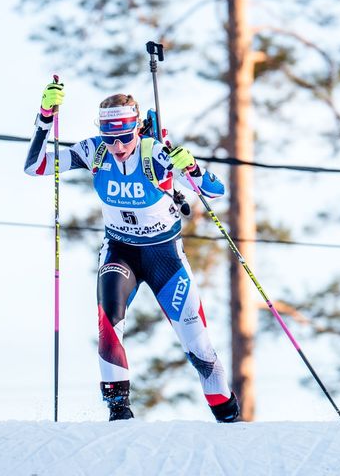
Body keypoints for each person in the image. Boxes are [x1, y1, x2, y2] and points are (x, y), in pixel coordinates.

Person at [24, 81, 240, 423]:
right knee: (109, 324)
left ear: (137, 129)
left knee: (197, 346)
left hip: (164, 257)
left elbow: (215, 192)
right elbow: (34, 166)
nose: (118, 146)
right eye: (110, 139)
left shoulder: (155, 153)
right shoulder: (93, 151)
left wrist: (193, 167)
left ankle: (227, 415)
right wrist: (45, 116)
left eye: (125, 137)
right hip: (120, 252)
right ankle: (119, 414)